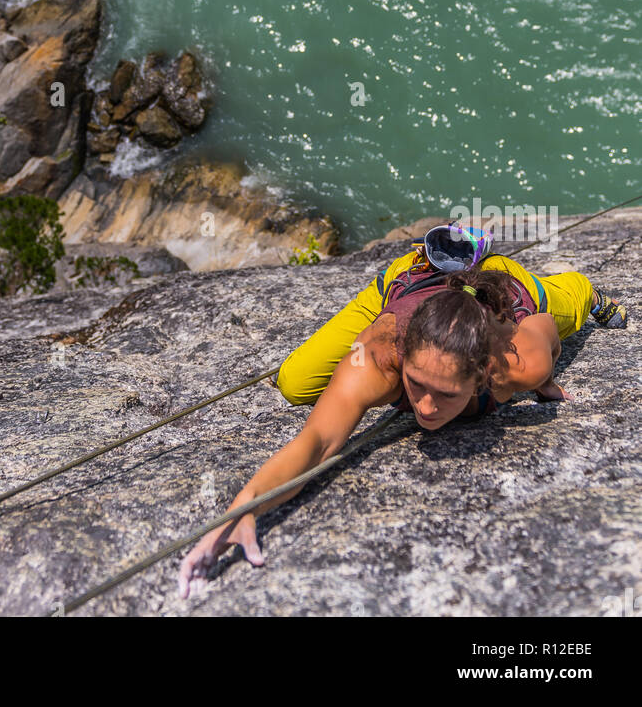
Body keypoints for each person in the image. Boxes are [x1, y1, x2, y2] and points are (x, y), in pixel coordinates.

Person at [178, 224, 627, 598]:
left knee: (568, 301)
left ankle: (579, 289)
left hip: (507, 282)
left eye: (447, 394)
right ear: (401, 358)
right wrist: (244, 506)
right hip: (412, 282)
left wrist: (543, 378)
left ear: (482, 374)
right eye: (415, 384)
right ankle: (424, 267)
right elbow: (316, 443)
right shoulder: (378, 354)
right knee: (295, 382)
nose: (425, 408)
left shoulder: (516, 364)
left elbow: (544, 331)